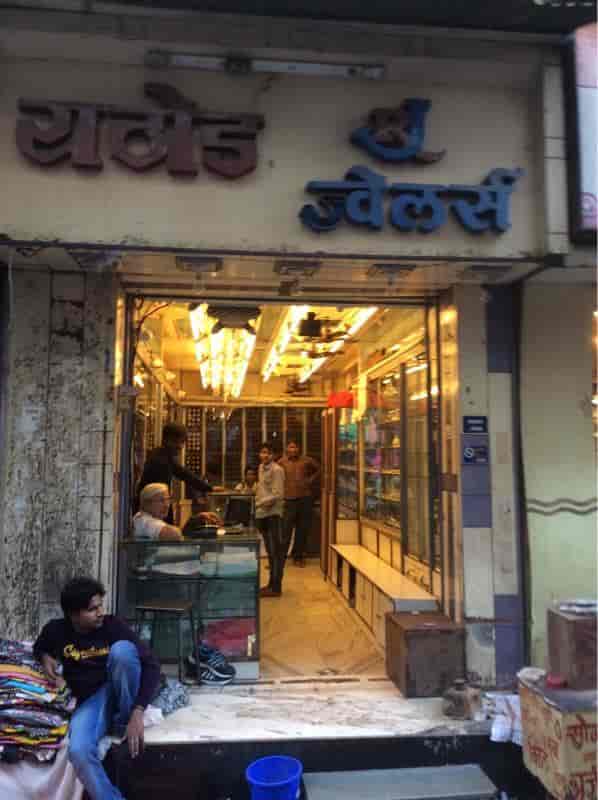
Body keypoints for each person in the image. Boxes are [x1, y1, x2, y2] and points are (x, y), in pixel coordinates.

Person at [33, 576, 161, 800]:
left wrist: (138, 711)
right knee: (78, 751)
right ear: (73, 614)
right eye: (92, 609)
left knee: (123, 651)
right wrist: (45, 657)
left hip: (123, 695)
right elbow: (39, 646)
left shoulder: (113, 626)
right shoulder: (56, 630)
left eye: (101, 605)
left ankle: (121, 722)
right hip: (93, 701)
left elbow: (151, 665)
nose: (100, 612)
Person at [136, 422, 212, 522]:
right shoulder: (161, 461)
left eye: (183, 443)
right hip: (153, 514)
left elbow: (184, 474)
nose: (181, 447)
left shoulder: (163, 456)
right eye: (179, 442)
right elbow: (160, 498)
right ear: (168, 440)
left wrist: (208, 488)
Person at [279, 440, 321, 567]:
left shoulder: (306, 460)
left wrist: (311, 479)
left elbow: (320, 469)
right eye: (290, 447)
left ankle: (298, 557)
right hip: (288, 500)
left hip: (304, 499)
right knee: (285, 531)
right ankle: (280, 559)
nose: (293, 449)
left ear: (299, 448)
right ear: (286, 449)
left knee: (302, 530)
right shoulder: (281, 462)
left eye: (295, 447)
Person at [133, 483, 219, 541]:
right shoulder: (144, 521)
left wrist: (194, 520)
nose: (166, 505)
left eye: (167, 500)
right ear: (147, 503)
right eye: (162, 500)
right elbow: (174, 535)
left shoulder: (146, 518)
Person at [255, 443, 286, 598]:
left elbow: (278, 494)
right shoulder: (261, 468)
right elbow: (262, 489)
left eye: (268, 452)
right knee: (269, 551)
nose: (265, 455)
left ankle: (276, 587)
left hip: (273, 514)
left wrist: (259, 503)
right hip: (262, 514)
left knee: (275, 552)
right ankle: (270, 584)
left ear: (273, 455)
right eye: (262, 452)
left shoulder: (277, 470)